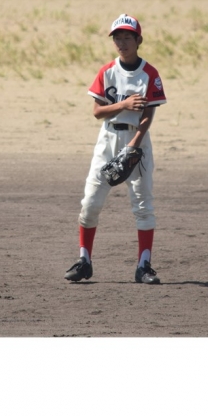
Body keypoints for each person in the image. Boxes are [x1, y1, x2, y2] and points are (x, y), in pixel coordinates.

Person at [65, 14, 167, 284]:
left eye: (127, 37)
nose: (122, 43)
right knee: (90, 203)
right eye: (117, 38)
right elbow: (97, 112)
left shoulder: (149, 73)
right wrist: (123, 105)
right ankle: (84, 261)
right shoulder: (107, 71)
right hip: (108, 139)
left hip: (137, 141)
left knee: (143, 204)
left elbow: (148, 113)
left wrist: (134, 144)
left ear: (138, 40)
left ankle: (144, 266)